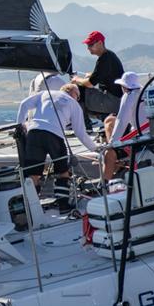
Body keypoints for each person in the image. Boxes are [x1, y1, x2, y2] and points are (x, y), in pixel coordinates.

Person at [15, 83, 97, 213]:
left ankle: (31, 209)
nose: (78, 99)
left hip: (34, 132)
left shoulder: (45, 93)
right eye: (78, 96)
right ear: (74, 93)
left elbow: (24, 104)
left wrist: (20, 125)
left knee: (33, 174)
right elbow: (80, 132)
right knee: (62, 171)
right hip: (55, 136)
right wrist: (95, 148)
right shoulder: (74, 104)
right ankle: (63, 206)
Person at [71, 31, 124, 128]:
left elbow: (90, 83)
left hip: (112, 101)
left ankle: (84, 126)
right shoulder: (109, 56)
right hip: (117, 99)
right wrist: (91, 75)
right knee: (84, 91)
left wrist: (76, 79)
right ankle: (103, 117)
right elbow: (102, 75)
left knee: (78, 90)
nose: (88, 48)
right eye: (87, 45)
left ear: (100, 43)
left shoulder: (104, 59)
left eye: (91, 45)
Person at [102, 71, 148, 181]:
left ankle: (104, 185)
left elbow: (121, 121)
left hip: (140, 138)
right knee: (110, 120)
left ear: (124, 87)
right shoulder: (144, 93)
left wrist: (112, 144)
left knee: (109, 153)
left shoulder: (128, 96)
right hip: (150, 132)